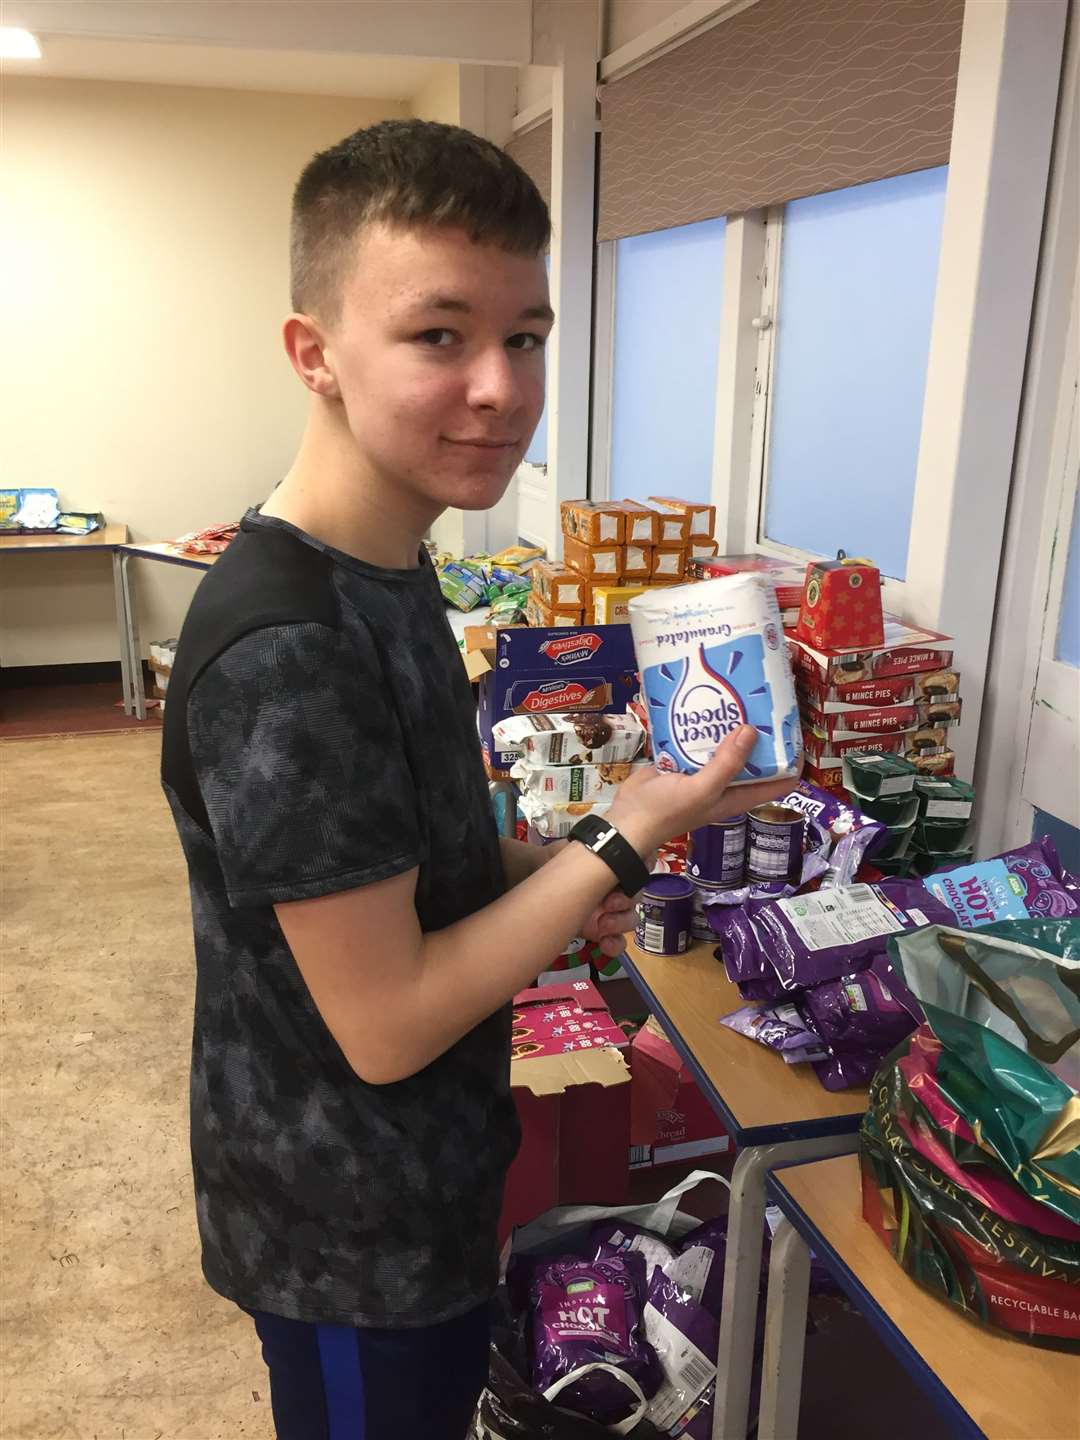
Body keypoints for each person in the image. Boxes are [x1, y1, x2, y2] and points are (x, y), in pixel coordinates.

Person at [161, 119, 791, 1440]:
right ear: (315, 352)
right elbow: (385, 1019)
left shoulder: (386, 570)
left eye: (526, 335)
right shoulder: (294, 647)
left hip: (427, 1187)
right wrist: (615, 843)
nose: (500, 388)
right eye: (439, 336)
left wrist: (565, 874)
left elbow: (406, 860)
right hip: (347, 1237)